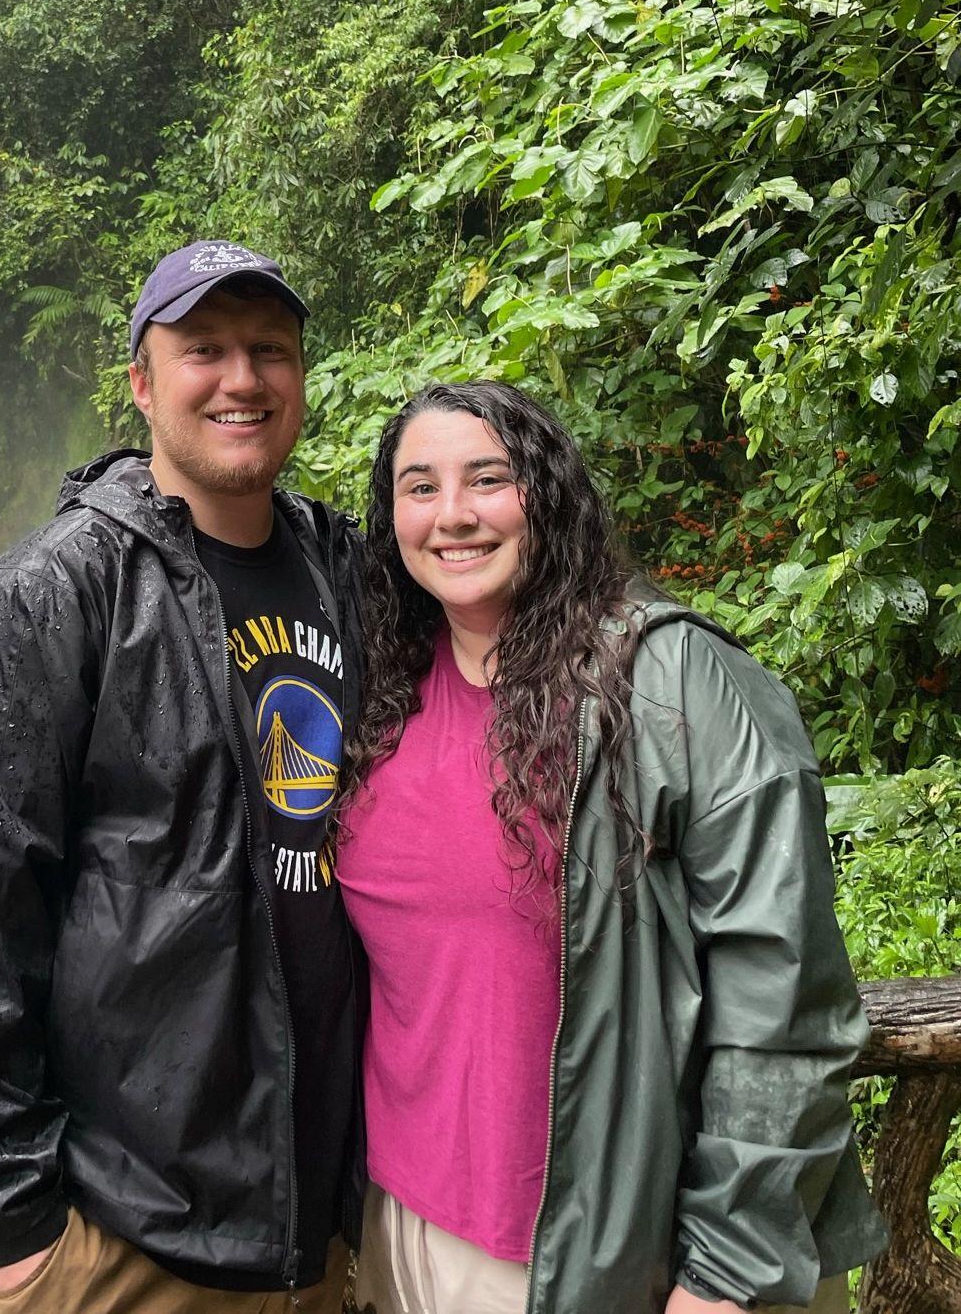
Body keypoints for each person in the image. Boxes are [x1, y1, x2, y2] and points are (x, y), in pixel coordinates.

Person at [333, 381, 887, 1314]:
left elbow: (784, 993)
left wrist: (727, 1270)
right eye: (418, 486)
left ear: (546, 491)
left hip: (629, 1250)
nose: (454, 514)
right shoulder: (386, 689)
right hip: (413, 1227)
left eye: (489, 478)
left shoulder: (672, 681)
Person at [0, 240, 362, 1313]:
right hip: (126, 1238)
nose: (241, 377)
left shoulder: (347, 567)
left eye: (269, 350)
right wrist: (19, 1223)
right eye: (204, 348)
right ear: (143, 383)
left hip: (325, 1225)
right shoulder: (50, 598)